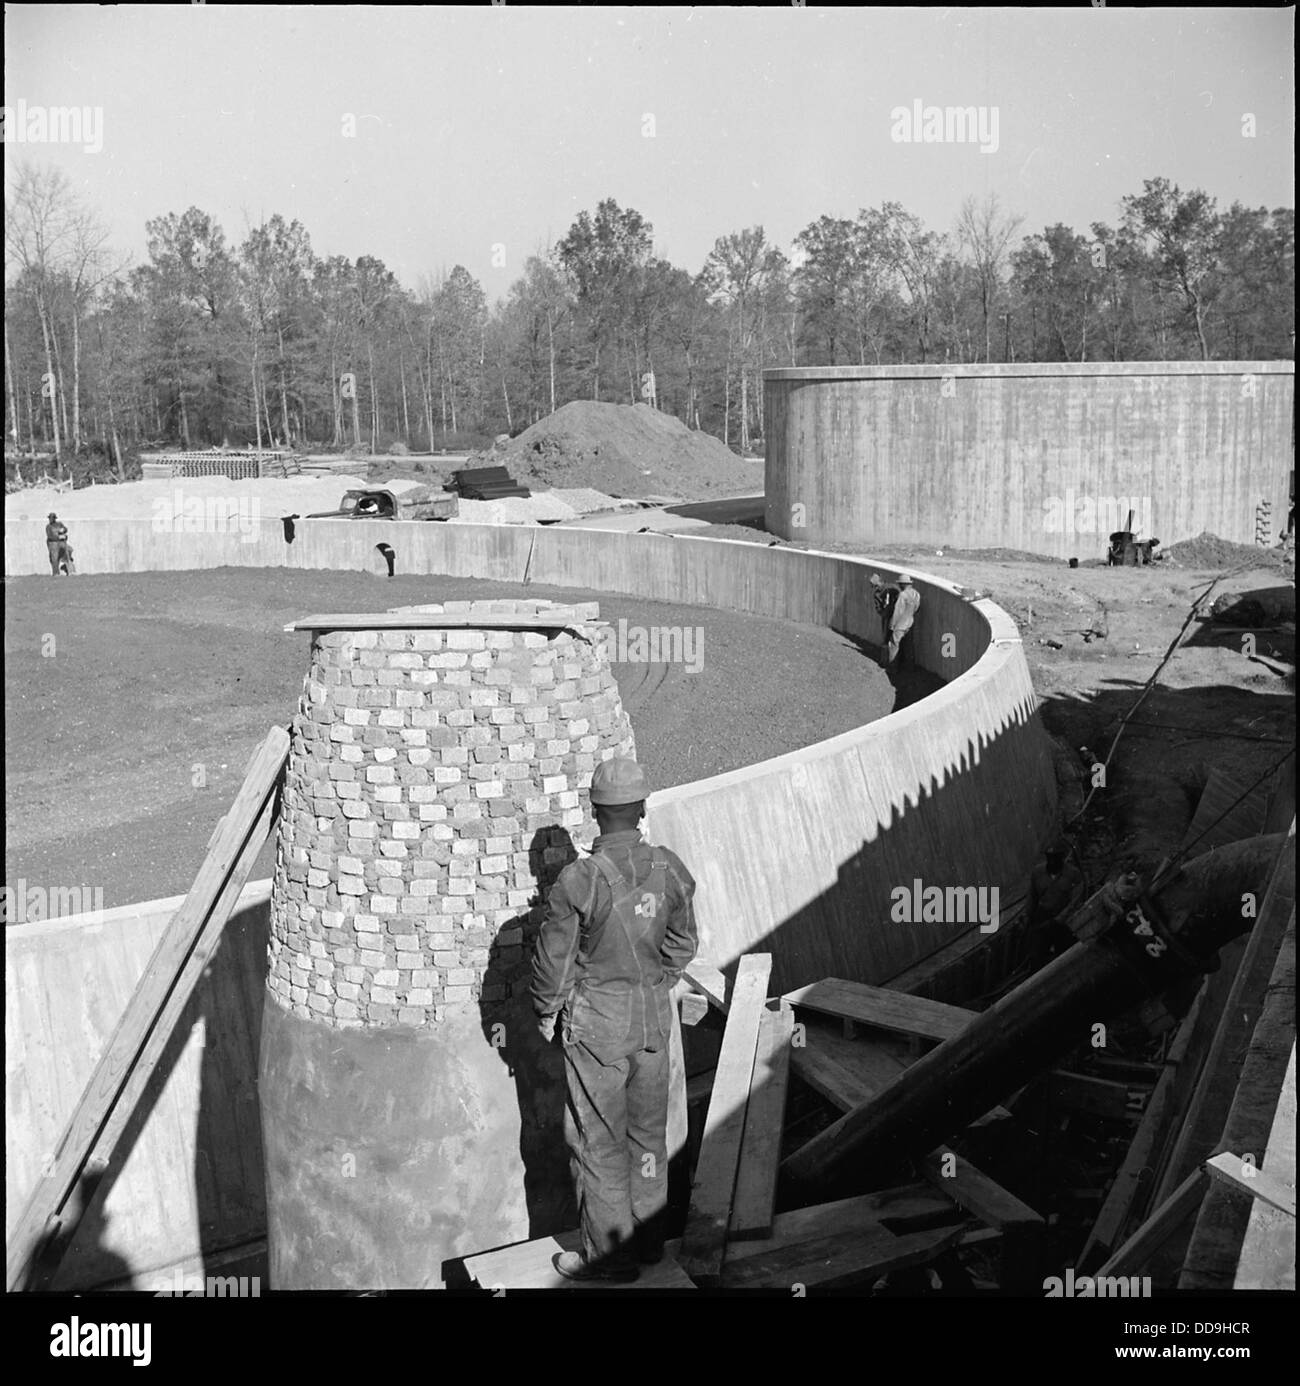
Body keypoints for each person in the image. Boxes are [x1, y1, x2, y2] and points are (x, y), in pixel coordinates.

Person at [531, 755, 698, 1282]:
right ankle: (650, 1245)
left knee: (599, 1142)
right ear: (642, 808)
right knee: (648, 1137)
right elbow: (683, 944)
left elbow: (553, 968)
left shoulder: (577, 881)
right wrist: (655, 982)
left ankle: (609, 1259)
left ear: (596, 813)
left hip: (597, 1029)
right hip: (651, 1024)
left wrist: (546, 1013)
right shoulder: (669, 867)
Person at [886, 572, 921, 667]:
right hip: (910, 622)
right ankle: (910, 666)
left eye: (900, 584)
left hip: (900, 624)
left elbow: (898, 611)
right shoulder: (916, 594)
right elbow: (916, 608)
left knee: (894, 644)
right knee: (909, 645)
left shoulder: (902, 595)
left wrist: (892, 625)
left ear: (903, 584)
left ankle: (892, 667)